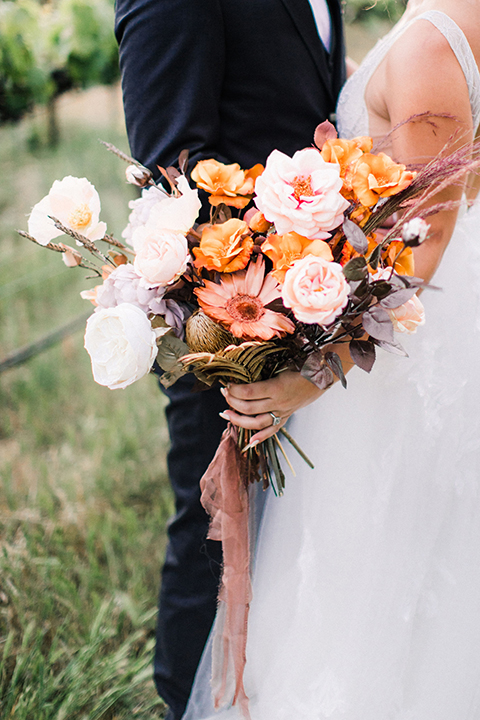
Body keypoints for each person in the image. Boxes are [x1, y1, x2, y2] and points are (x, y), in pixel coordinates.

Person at [183, 0, 480, 718]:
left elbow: (423, 241)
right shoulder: (433, 25)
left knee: (368, 587)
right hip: (408, 337)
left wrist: (315, 375)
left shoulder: (432, 43)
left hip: (400, 362)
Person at [113, 3, 346, 719]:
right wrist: (250, 331)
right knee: (215, 536)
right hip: (229, 329)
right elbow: (171, 174)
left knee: (288, 545)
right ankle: (187, 703)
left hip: (314, 314)